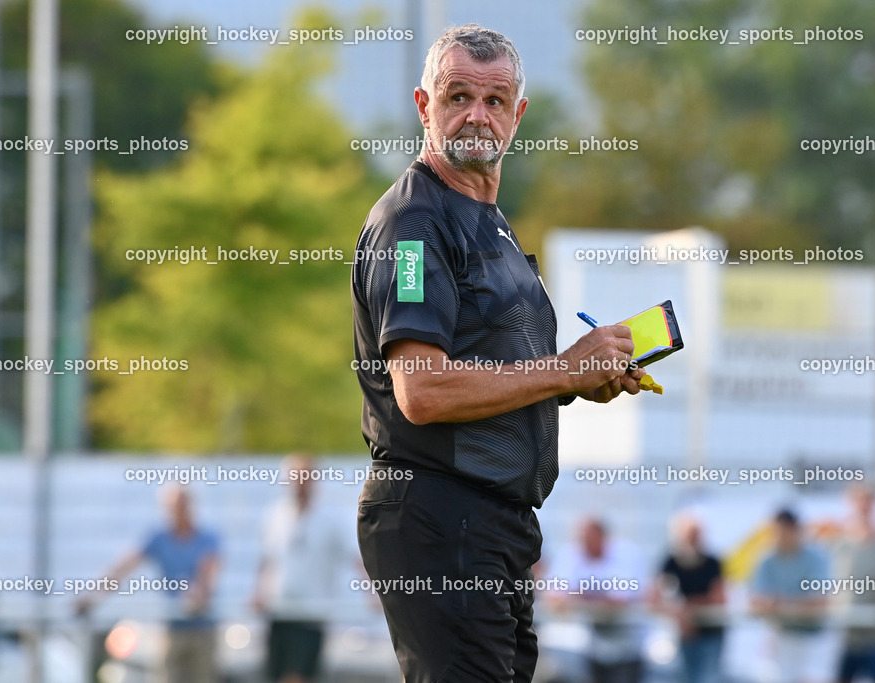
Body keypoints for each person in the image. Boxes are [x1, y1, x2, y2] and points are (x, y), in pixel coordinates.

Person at [351, 23, 647, 682]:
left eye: (494, 100)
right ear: (425, 107)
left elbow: (503, 370)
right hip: (439, 515)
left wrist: (579, 379)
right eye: (458, 96)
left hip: (492, 526)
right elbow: (421, 390)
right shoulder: (413, 228)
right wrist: (564, 368)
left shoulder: (492, 219)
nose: (476, 116)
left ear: (518, 113)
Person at [78, 485, 221, 683]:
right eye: (172, 507)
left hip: (203, 629)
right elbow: (124, 567)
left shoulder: (207, 538)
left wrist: (197, 595)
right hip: (172, 628)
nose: (176, 512)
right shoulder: (159, 538)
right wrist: (93, 596)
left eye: (181, 506)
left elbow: (208, 574)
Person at [252, 454, 358, 683]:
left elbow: (355, 556)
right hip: (278, 610)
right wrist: (259, 592)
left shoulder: (331, 518)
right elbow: (267, 559)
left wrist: (375, 593)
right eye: (295, 476)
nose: (300, 482)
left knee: (297, 677)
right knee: (277, 675)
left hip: (311, 613)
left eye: (305, 476)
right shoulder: (275, 514)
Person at [548, 517, 646, 683]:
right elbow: (554, 596)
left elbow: (619, 602)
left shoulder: (626, 554)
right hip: (591, 648)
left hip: (627, 647)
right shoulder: (573, 554)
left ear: (601, 536)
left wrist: (579, 596)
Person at [751, 508, 834, 683]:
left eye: (785, 531)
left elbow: (820, 601)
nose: (781, 537)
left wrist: (780, 603)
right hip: (779, 637)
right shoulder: (766, 560)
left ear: (796, 530)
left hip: (812, 638)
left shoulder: (815, 558)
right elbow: (756, 601)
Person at [651, 512, 727, 683]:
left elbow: (719, 598)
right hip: (685, 633)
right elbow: (654, 596)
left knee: (708, 678)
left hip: (711, 632)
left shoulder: (712, 562)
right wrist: (678, 614)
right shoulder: (672, 561)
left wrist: (686, 609)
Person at [831, 484, 875, 683]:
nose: (863, 507)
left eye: (868, 501)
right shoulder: (839, 545)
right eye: (859, 501)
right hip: (846, 636)